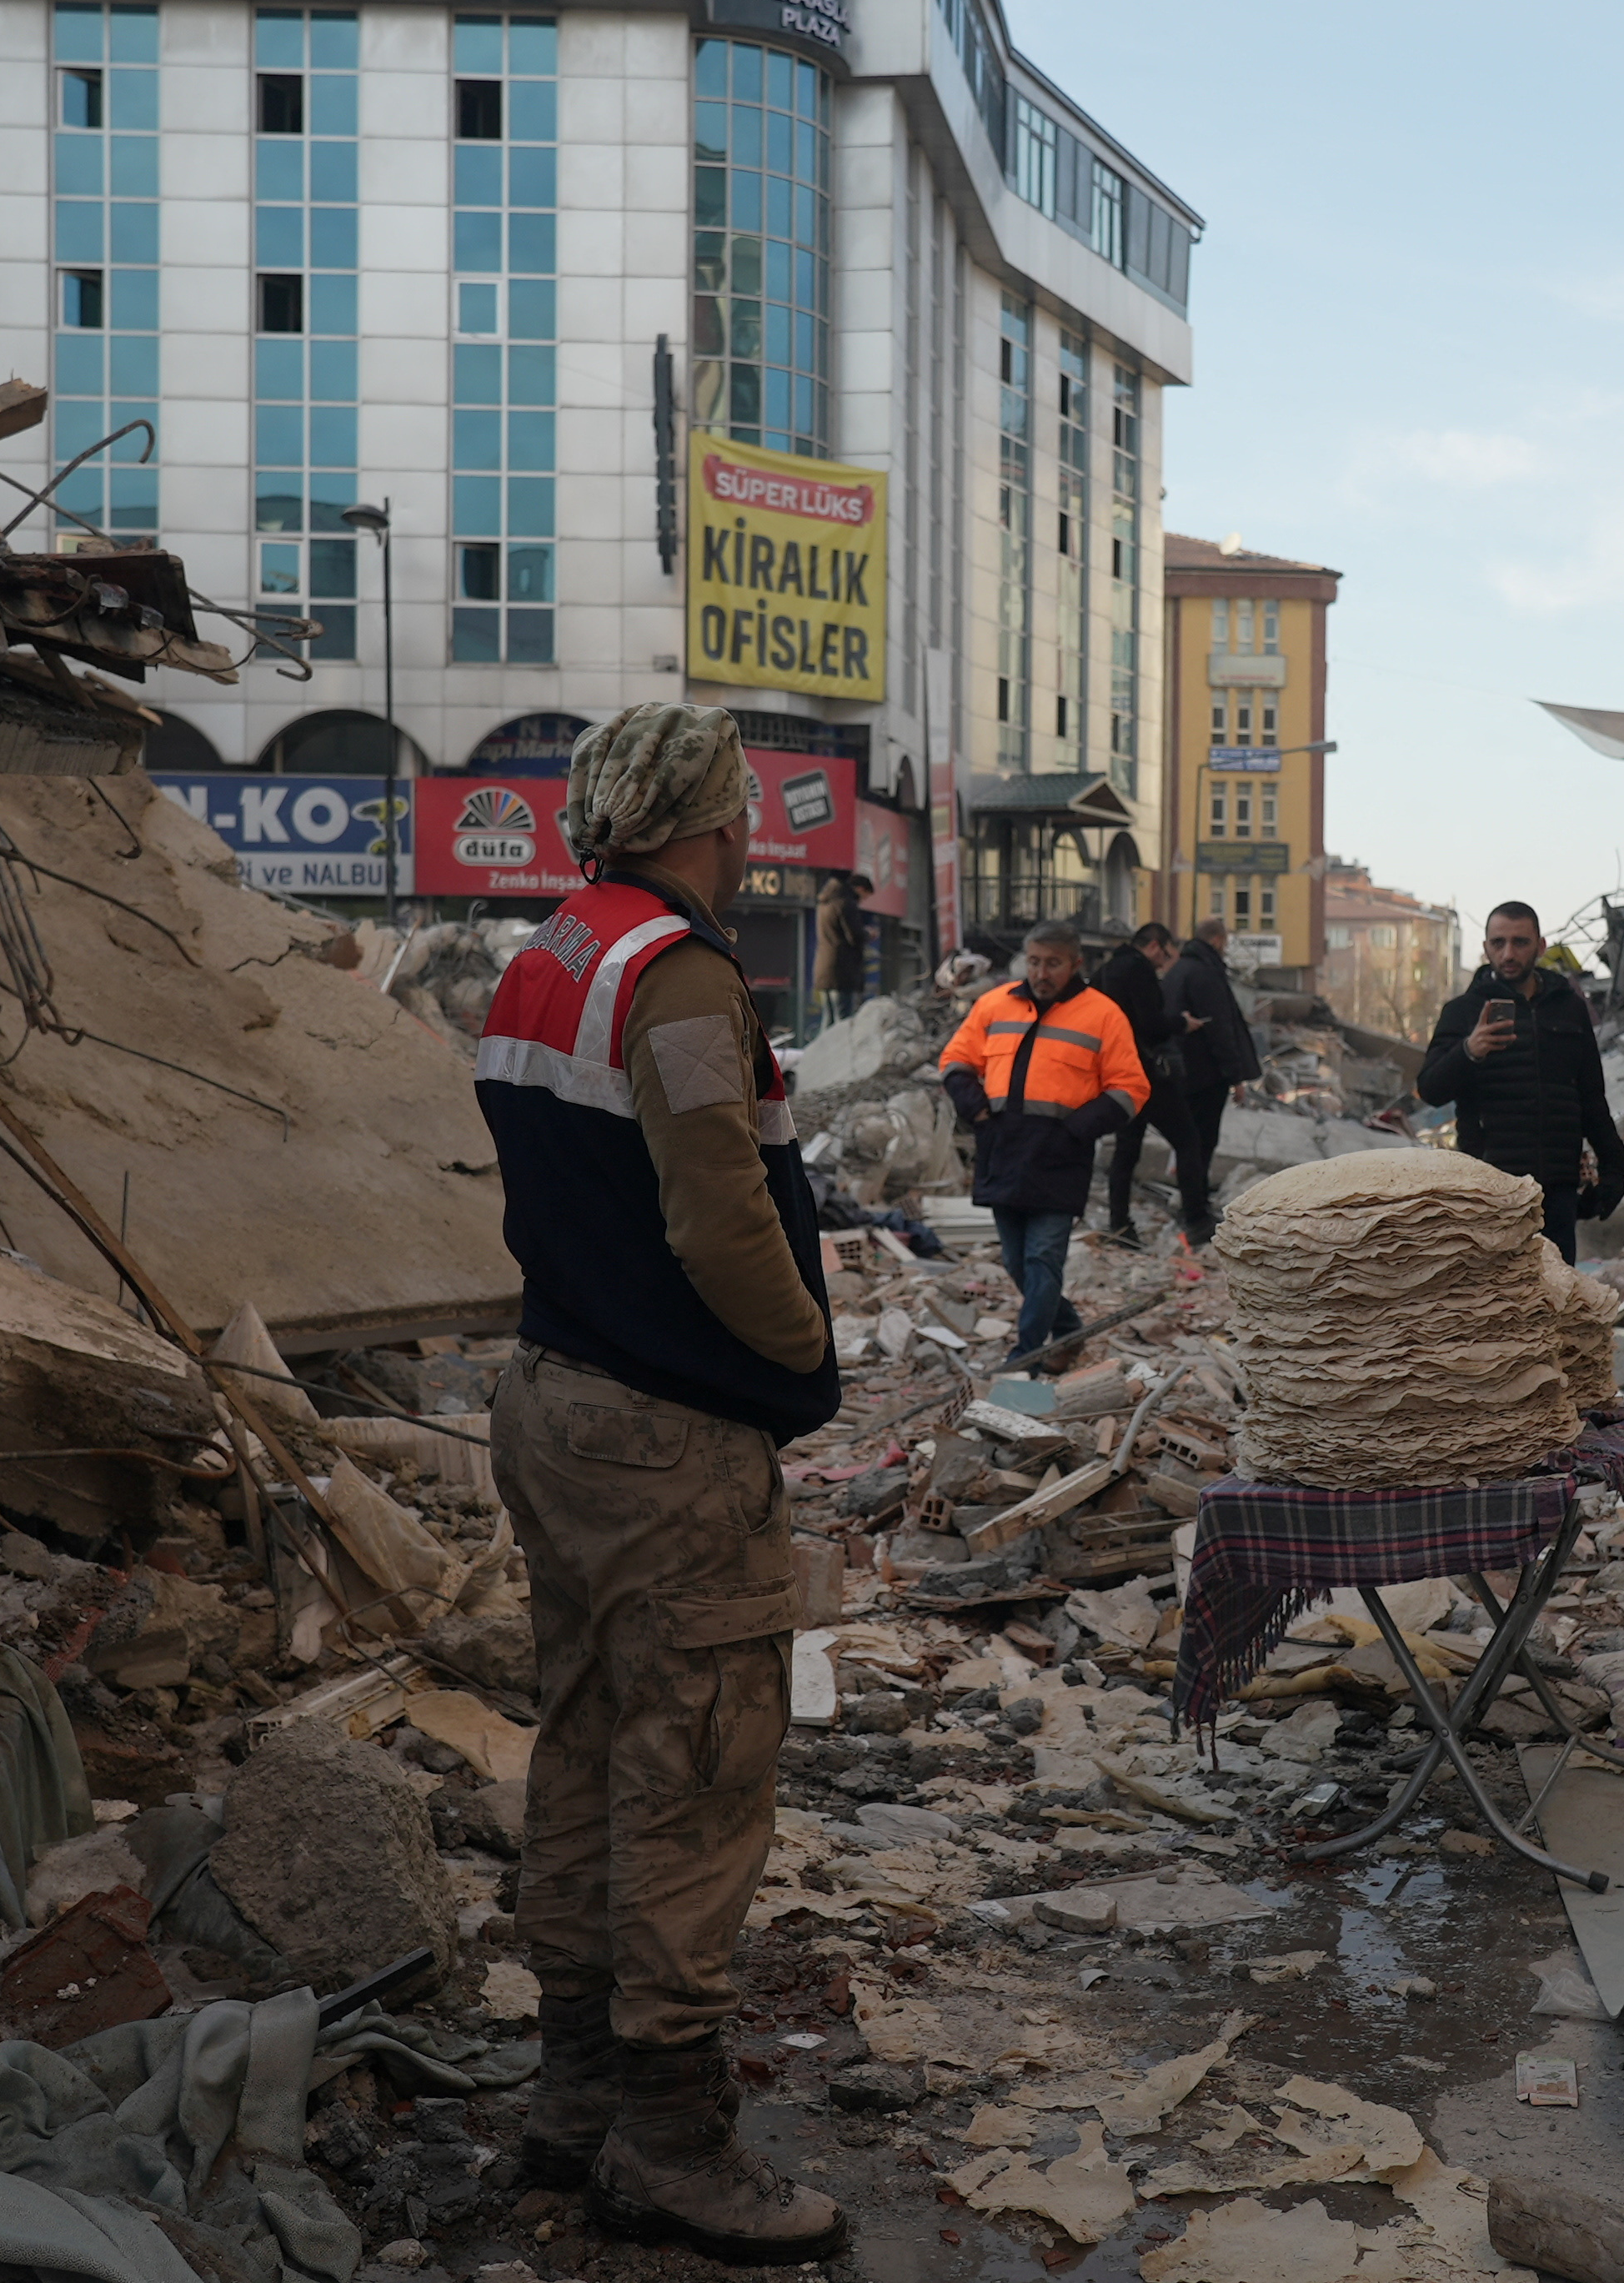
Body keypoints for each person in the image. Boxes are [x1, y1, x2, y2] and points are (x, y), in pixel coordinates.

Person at [473, 705, 848, 2265]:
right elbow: (717, 1213)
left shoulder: (547, 951)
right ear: (712, 816)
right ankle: (673, 2142)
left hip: (553, 1401)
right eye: (742, 807)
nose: (752, 829)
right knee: (693, 1764)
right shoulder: (678, 973)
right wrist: (804, 1362)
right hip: (661, 1432)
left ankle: (572, 2096)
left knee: (585, 1738)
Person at [938, 921, 1150, 1362]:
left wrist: (1077, 1129)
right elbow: (956, 1059)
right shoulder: (995, 1005)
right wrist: (976, 1110)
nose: (1042, 972)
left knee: (1041, 1260)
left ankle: (1027, 1355)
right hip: (1004, 1149)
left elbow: (1131, 1086)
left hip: (1061, 1157)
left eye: (1053, 963)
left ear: (1075, 964)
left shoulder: (1103, 1014)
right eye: (1034, 961)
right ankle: (1069, 1329)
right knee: (1018, 1263)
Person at [1416, 898, 1624, 1262]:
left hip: (1557, 1190)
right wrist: (1469, 1050)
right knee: (1498, 1303)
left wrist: (1614, 1169)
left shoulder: (1569, 1007)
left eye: (1520, 942)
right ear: (1486, 949)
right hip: (1490, 1189)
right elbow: (1430, 1090)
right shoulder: (1464, 1011)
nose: (1509, 953)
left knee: (1556, 1298)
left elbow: (1592, 1096)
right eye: (1498, 943)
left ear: (1541, 946)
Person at [1157, 915, 1262, 1245]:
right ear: (1218, 940)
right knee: (1200, 1145)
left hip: (1179, 1072)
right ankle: (1197, 1216)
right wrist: (1236, 1077)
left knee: (1190, 1144)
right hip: (1205, 1075)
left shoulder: (1178, 971)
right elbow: (1220, 1030)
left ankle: (1194, 1208)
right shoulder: (1206, 974)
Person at [1093, 921, 1179, 1247]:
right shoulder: (1138, 971)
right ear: (1155, 945)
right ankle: (1195, 1218)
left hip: (1114, 1073)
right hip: (1144, 1073)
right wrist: (1180, 1023)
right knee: (1188, 1140)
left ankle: (1119, 1223)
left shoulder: (1106, 970)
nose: (1164, 962)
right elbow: (1151, 1023)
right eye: (1166, 953)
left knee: (1126, 1150)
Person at [810, 872, 868, 1023]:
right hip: (841, 970)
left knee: (828, 1020)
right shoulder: (845, 903)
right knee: (842, 1023)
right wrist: (867, 934)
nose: (863, 901)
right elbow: (855, 936)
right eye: (865, 896)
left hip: (824, 968)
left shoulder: (824, 902)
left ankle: (822, 1047)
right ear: (860, 889)